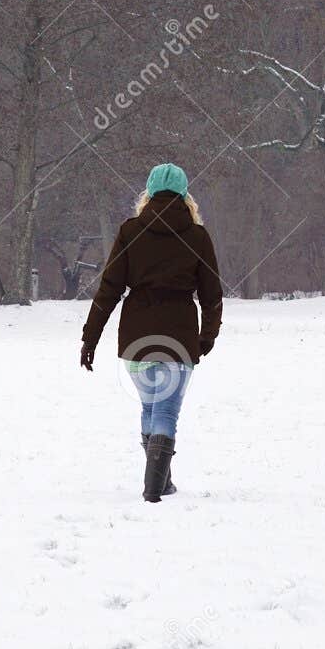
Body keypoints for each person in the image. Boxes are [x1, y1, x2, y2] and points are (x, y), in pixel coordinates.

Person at [80, 163, 223, 503]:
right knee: (166, 411)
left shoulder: (131, 231)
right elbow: (211, 294)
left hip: (137, 339)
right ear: (185, 196)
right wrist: (207, 336)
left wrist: (90, 337)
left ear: (148, 194)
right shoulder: (198, 237)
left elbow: (109, 290)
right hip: (179, 335)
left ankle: (161, 481)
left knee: (151, 408)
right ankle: (154, 489)